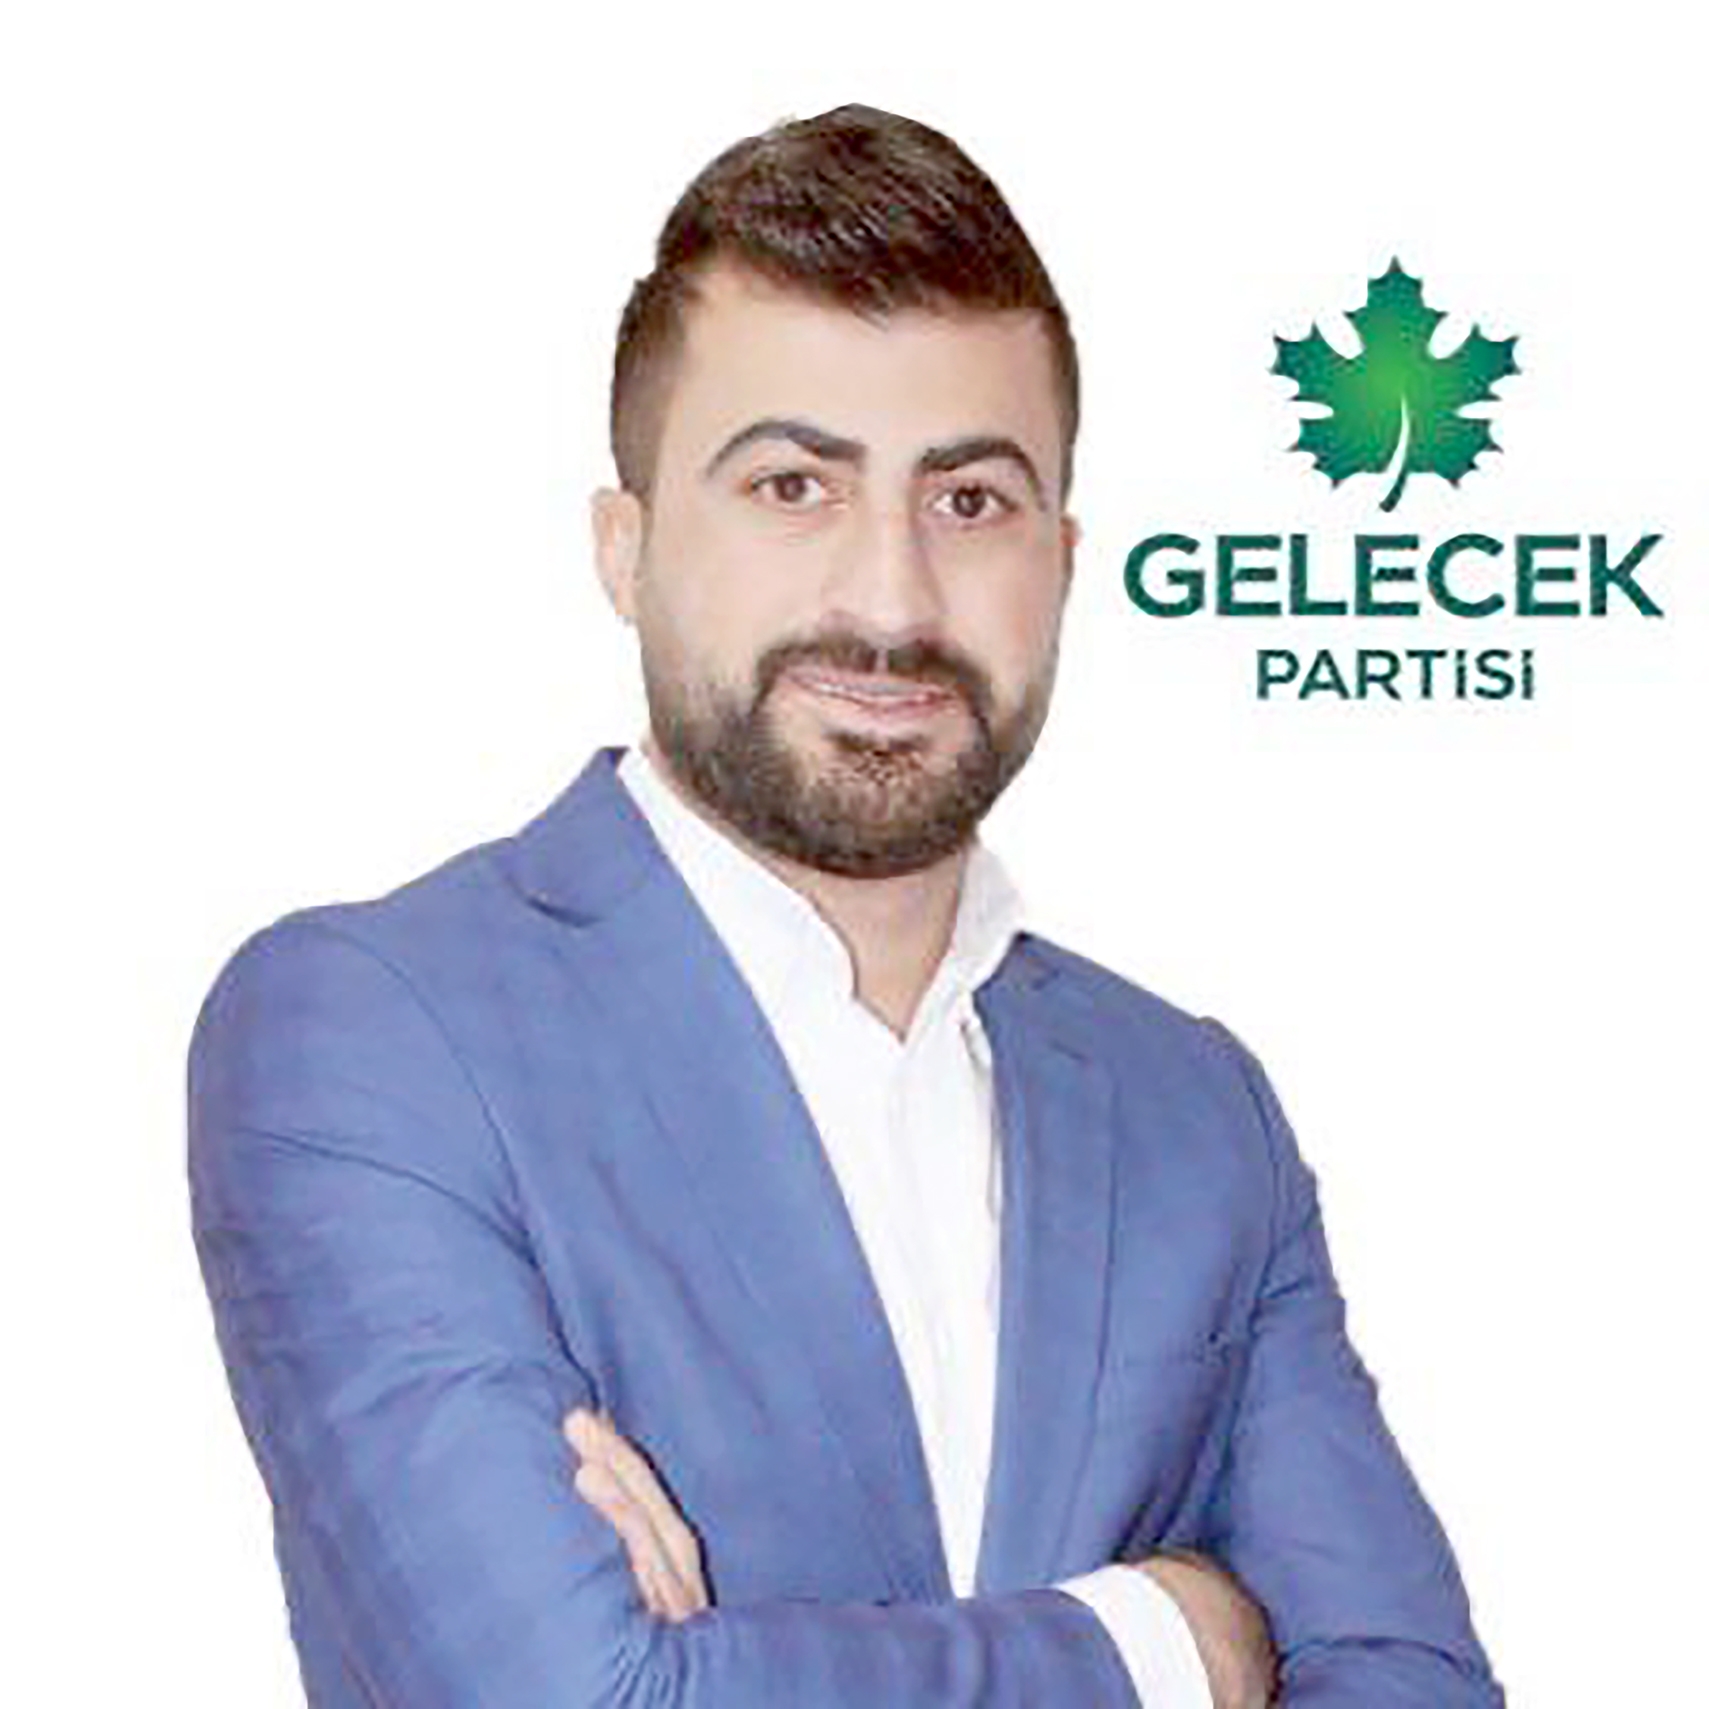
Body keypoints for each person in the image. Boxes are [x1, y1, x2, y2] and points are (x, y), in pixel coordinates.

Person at [188, 106, 1504, 1709]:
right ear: (625, 547)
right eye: (793, 483)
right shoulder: (372, 1032)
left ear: (1062, 558)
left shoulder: (1194, 1106)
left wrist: (720, 1662)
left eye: (970, 501)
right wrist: (1172, 1638)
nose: (889, 598)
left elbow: (1414, 1686)